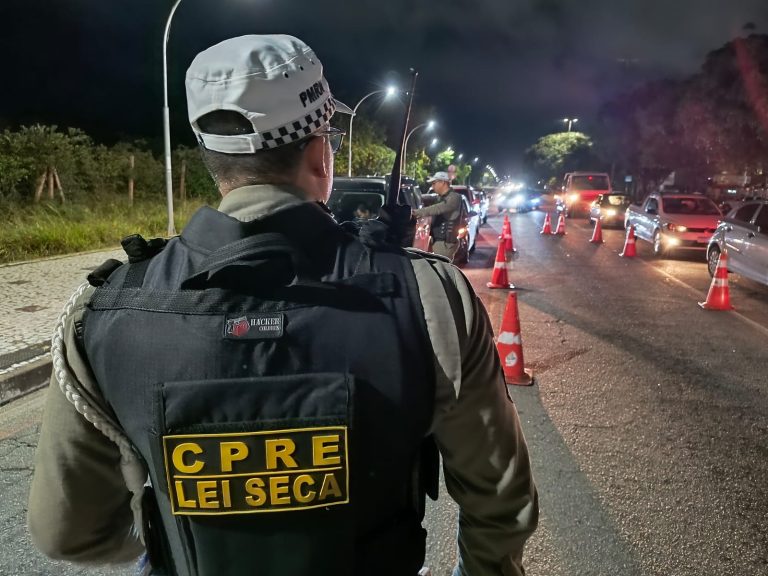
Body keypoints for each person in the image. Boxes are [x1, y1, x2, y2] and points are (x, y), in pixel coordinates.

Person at [28, 34, 537, 576]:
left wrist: (167, 545)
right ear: (320, 154)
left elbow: (68, 532)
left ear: (210, 159)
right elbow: (499, 501)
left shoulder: (103, 312)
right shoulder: (431, 297)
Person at [412, 172, 463, 260]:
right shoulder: (440, 198)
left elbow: (436, 209)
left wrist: (414, 212)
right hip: (438, 241)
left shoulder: (454, 198)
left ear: (443, 182)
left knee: (442, 270)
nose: (432, 186)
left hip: (445, 243)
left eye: (434, 183)